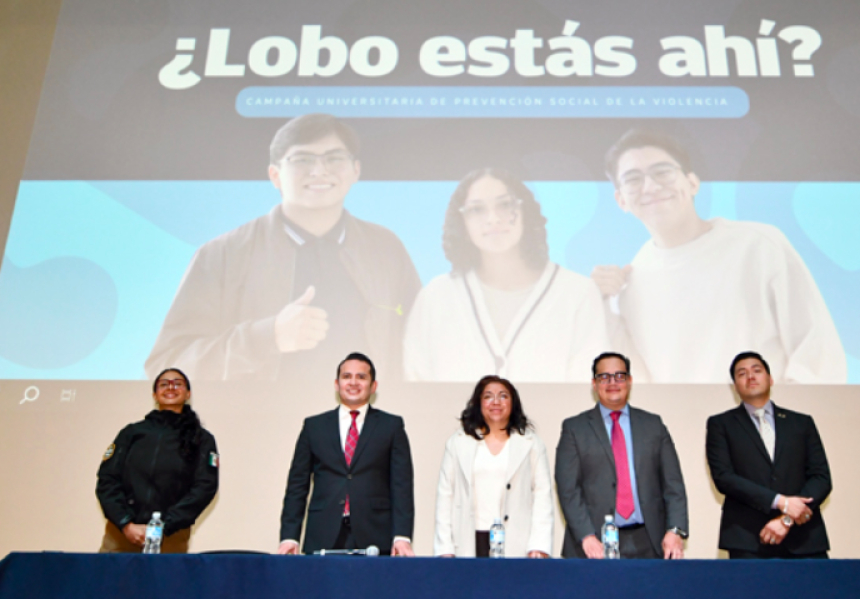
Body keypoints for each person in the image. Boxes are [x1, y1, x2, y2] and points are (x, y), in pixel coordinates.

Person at [145, 114, 421, 384]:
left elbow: (421, 346)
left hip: (367, 426)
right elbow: (167, 368)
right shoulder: (222, 255)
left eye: (334, 158)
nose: (320, 171)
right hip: (260, 425)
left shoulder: (386, 249)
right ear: (275, 175)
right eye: (302, 159)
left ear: (356, 171)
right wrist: (268, 336)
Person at [592, 129, 846, 383]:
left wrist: (779, 420)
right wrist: (596, 300)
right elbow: (639, 384)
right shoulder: (631, 284)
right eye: (633, 179)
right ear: (621, 200)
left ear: (692, 183)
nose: (651, 186)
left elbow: (818, 354)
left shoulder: (758, 245)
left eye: (662, 172)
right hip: (684, 422)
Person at [404, 167, 608, 382]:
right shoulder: (436, 297)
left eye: (504, 205)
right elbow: (416, 380)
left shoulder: (577, 293)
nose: (493, 219)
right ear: (462, 222)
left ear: (525, 212)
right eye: (476, 210)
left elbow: (587, 388)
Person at [278, 352, 414, 556]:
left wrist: (402, 536)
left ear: (373, 386)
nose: (353, 382)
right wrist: (290, 536)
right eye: (347, 376)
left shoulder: (391, 426)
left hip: (376, 535)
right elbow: (297, 486)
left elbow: (402, 486)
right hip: (323, 533)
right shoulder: (314, 427)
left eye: (361, 377)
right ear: (336, 383)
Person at [554, 352, 688, 559]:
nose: (612, 382)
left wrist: (675, 529)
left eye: (619, 376)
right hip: (594, 544)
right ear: (594, 384)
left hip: (651, 541)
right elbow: (568, 489)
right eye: (604, 377)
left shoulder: (653, 425)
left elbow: (673, 484)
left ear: (630, 381)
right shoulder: (574, 428)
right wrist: (586, 536)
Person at [706, 351, 832, 559]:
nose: (751, 376)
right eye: (742, 373)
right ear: (734, 385)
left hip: (805, 539)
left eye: (757, 370)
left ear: (771, 379)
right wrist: (780, 502)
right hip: (748, 539)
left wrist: (786, 519)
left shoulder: (801, 423)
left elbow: (821, 478)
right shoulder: (721, 424)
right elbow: (724, 478)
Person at [96, 368, 219, 553]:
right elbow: (107, 480)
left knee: (165, 583)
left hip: (170, 537)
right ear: (155, 394)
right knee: (108, 582)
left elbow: (204, 487)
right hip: (121, 535)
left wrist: (164, 525)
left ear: (188, 393)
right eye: (163, 384)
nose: (171, 387)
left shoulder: (202, 439)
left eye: (177, 383)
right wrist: (125, 523)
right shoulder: (131, 433)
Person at [434, 375, 553, 558]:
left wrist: (539, 545)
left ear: (513, 403)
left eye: (503, 396)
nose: (496, 402)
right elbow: (445, 495)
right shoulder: (458, 443)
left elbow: (542, 494)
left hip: (517, 541)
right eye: (488, 396)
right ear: (478, 403)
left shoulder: (531, 443)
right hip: (469, 539)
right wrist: (445, 547)